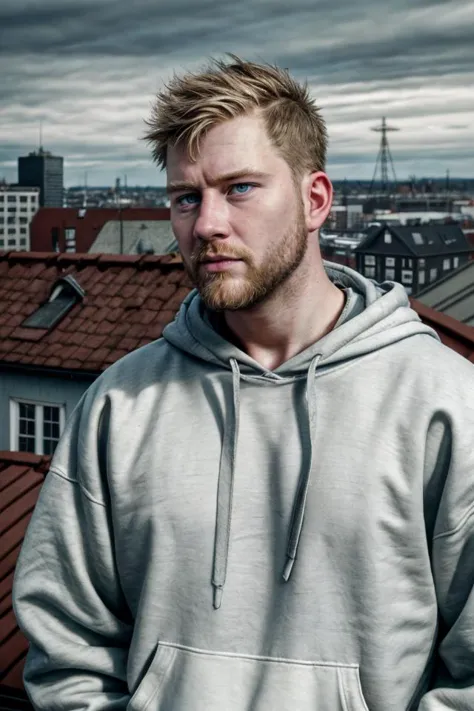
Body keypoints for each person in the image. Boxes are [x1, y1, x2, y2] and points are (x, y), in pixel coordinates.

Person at [12, 55, 474, 711]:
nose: (206, 225)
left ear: (316, 201)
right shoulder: (118, 407)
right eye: (186, 197)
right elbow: (68, 656)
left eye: (241, 188)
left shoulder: (447, 406)